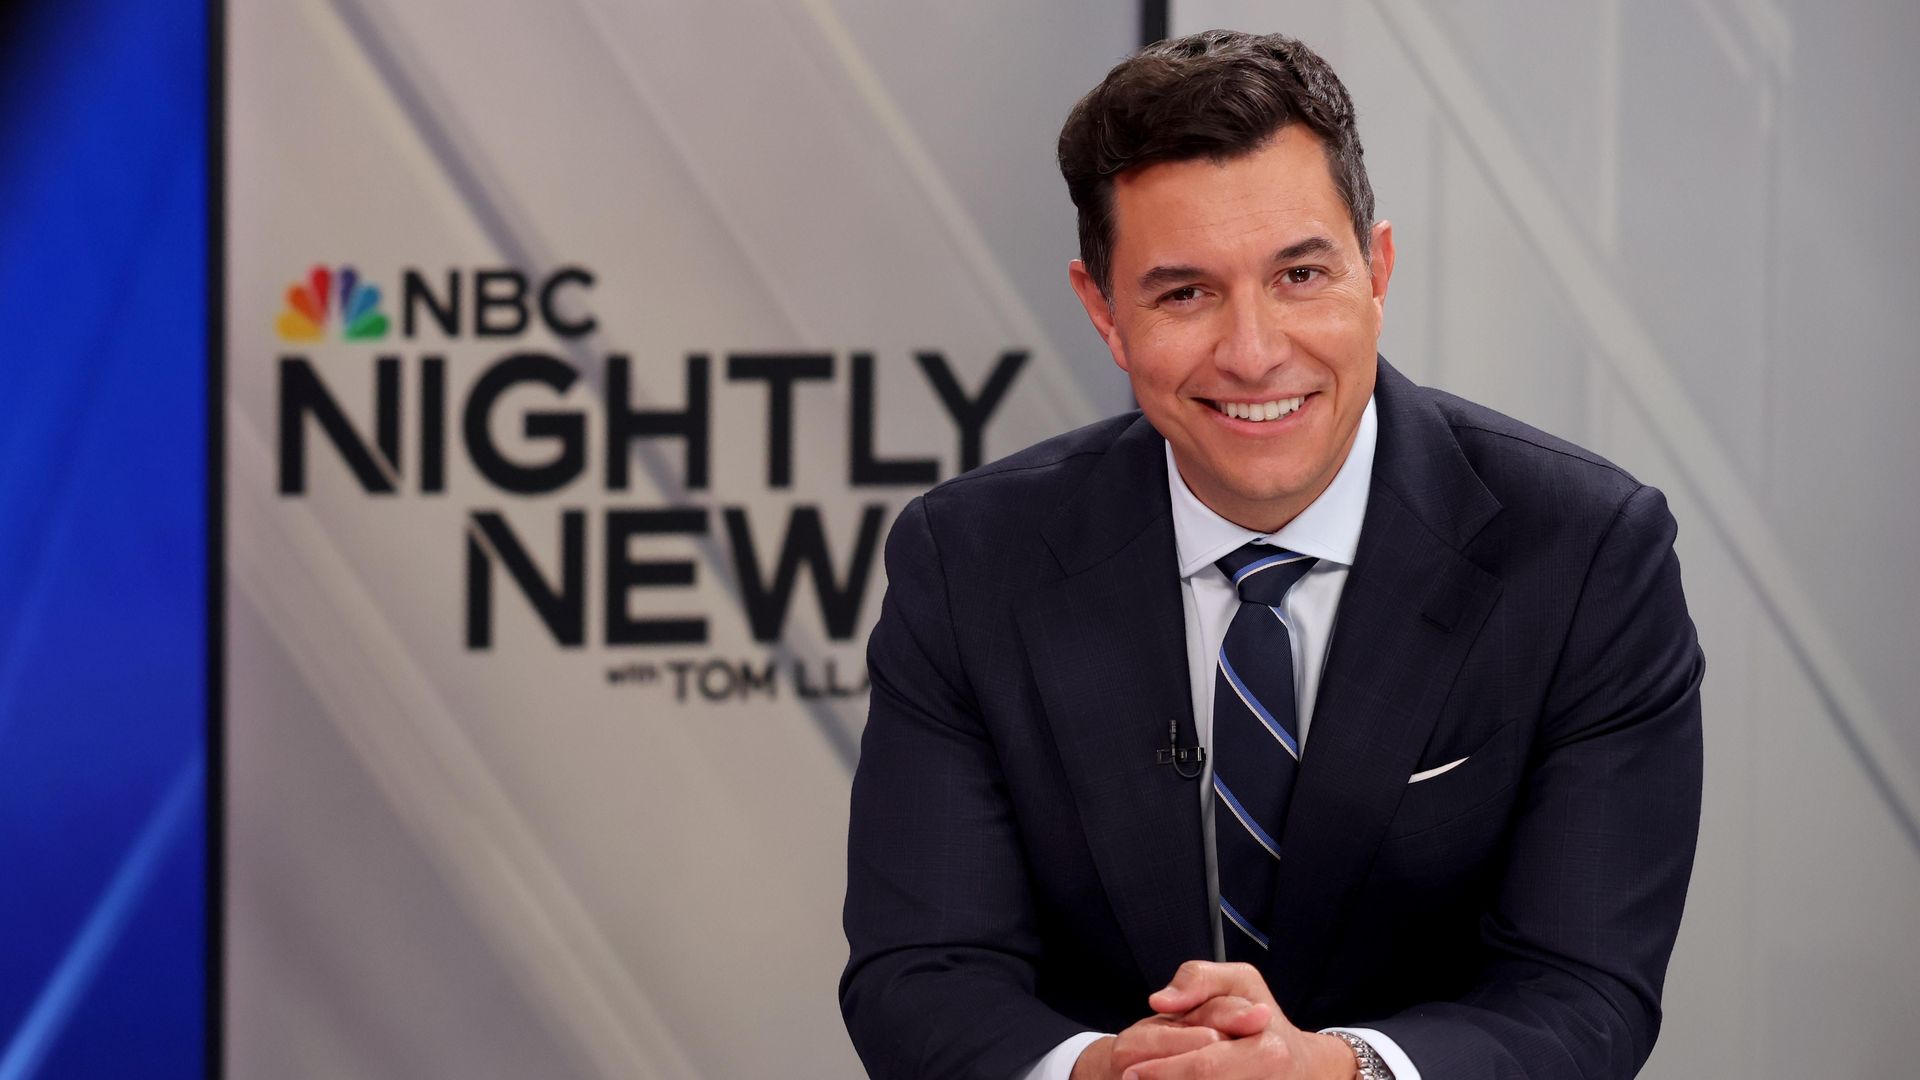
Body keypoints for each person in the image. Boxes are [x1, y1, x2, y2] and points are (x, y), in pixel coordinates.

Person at [841, 29, 1703, 1080]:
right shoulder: (969, 561)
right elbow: (922, 971)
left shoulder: (1584, 555)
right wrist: (1099, 1072)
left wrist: (1341, 1073)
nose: (1253, 352)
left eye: (1300, 273)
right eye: (1185, 293)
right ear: (1103, 311)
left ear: (1376, 269)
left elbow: (1586, 994)